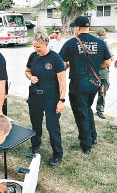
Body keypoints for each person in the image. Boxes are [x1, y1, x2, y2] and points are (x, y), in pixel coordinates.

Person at [59, 16, 111, 156]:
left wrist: (71, 64)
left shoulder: (71, 43)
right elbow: (107, 63)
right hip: (94, 82)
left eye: (74, 27)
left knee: (81, 113)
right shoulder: (100, 42)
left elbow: (61, 63)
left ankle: (86, 143)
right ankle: (93, 136)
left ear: (77, 27)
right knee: (87, 109)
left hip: (78, 82)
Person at [25, 31, 66, 167]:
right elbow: (27, 71)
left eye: (38, 47)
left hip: (51, 97)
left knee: (52, 126)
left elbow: (62, 82)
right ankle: (35, 145)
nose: (36, 50)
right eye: (34, 47)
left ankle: (57, 154)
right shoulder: (33, 56)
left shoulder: (55, 58)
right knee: (35, 123)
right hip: (35, 95)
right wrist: (30, 77)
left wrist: (61, 100)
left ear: (46, 43)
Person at [95, 29, 114, 119]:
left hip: (103, 71)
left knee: (102, 91)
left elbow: (112, 56)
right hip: (94, 71)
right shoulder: (94, 43)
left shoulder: (107, 43)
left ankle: (100, 110)